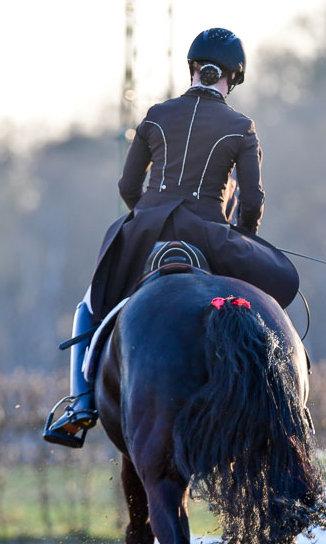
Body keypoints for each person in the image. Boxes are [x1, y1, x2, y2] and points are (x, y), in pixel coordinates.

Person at [44, 28, 299, 448]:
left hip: (148, 232)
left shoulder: (156, 115)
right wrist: (242, 237)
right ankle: (285, 401)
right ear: (233, 77)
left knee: (90, 306)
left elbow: (128, 186)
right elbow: (251, 201)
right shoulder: (240, 126)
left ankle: (81, 405)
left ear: (193, 68)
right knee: (272, 300)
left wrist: (151, 213)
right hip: (213, 234)